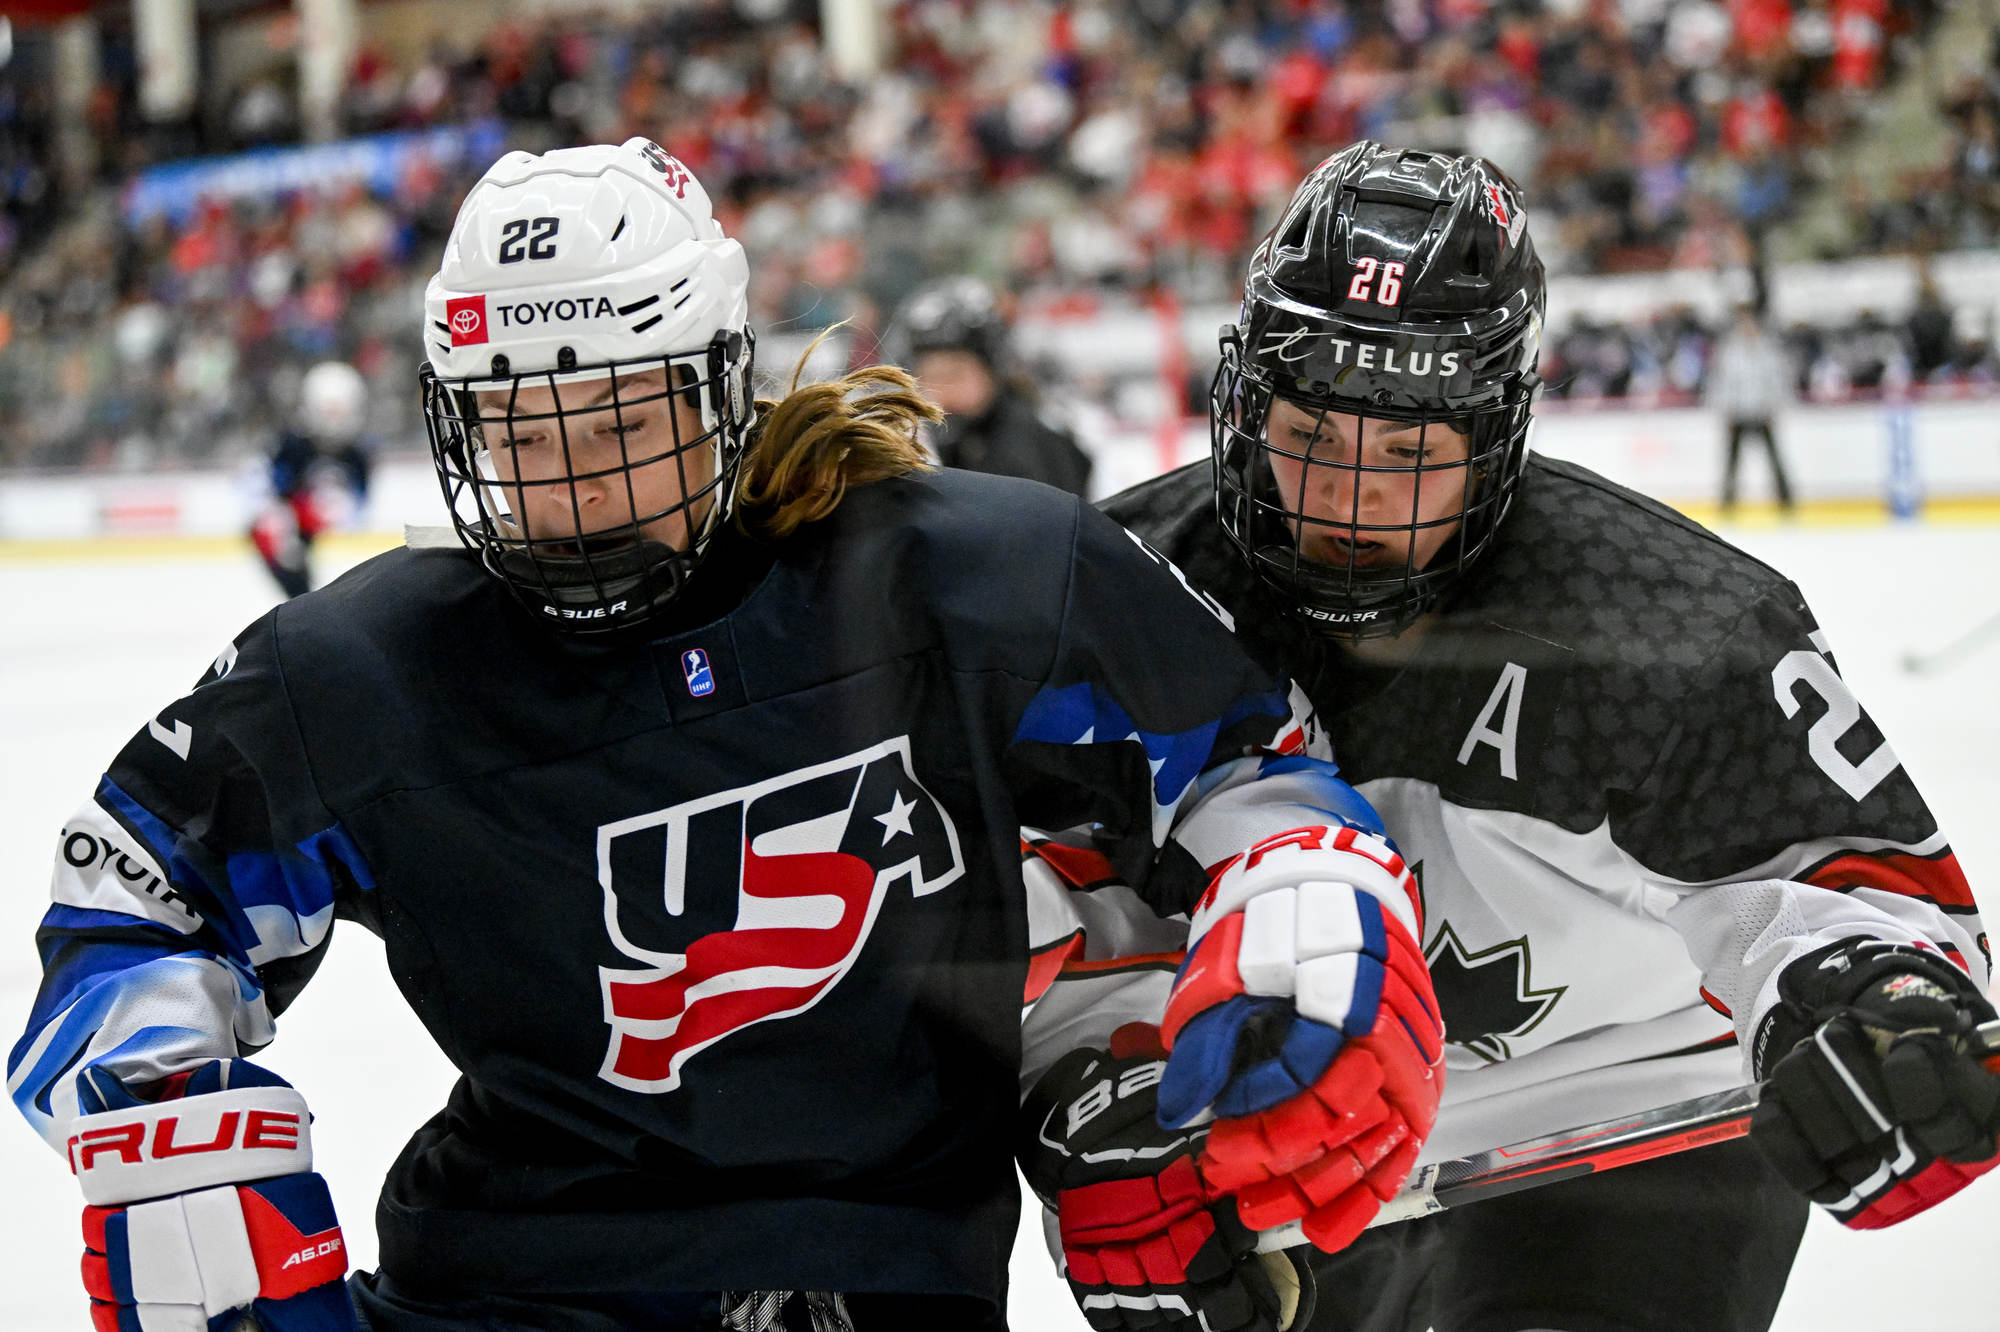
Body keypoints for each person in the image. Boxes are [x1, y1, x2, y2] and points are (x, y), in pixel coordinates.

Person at [9, 139, 1435, 1332]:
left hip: (885, 1284)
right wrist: (169, 1130)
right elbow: (139, 891)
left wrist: (1298, 892)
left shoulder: (973, 579)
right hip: (503, 1297)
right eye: (520, 433)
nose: (568, 487)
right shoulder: (370, 668)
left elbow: (1242, 762)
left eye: (615, 422)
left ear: (716, 387)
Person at [1049, 140, 1995, 1332]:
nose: (1352, 497)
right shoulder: (1116, 594)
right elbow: (1035, 903)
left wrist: (1868, 1003)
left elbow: (1864, 901)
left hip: (1639, 1126)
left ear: (1496, 437)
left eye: (1407, 450)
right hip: (1297, 1131)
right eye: (1313, 433)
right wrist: (1095, 1103)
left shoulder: (1667, 625)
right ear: (1244, 406)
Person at [891, 276, 1094, 496]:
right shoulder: (959, 437)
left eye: (952, 375)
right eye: (925, 379)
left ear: (992, 367)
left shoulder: (1032, 445)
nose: (938, 393)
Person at [252, 358, 377, 597]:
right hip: (296, 538)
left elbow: (360, 507)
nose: (335, 420)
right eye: (329, 410)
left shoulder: (358, 454)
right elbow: (271, 494)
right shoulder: (291, 446)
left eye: (340, 410)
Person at [1707, 303, 1795, 517]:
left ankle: (1785, 501)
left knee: (1774, 459)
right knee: (1732, 462)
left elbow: (1778, 382)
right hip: (1738, 414)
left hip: (1762, 412)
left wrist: (1774, 408)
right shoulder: (1729, 352)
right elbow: (1720, 383)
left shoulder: (1768, 351)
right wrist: (1724, 410)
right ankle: (1728, 502)